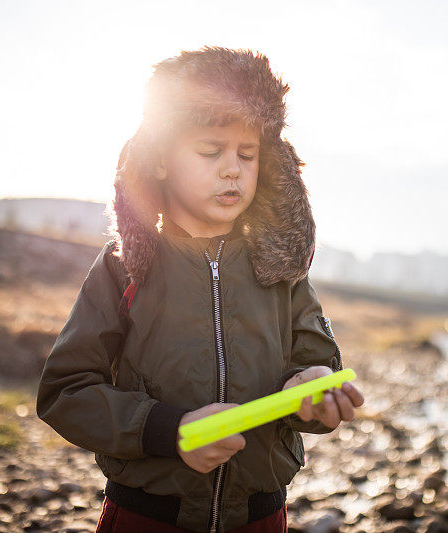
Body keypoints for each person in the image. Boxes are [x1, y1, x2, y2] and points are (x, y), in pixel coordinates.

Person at [35, 46, 365, 533]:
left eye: (246, 154)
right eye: (211, 151)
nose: (232, 168)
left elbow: (316, 369)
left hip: (259, 518)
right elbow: (65, 392)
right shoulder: (123, 269)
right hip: (145, 518)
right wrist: (171, 431)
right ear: (162, 160)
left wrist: (312, 389)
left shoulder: (281, 270)